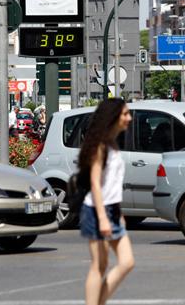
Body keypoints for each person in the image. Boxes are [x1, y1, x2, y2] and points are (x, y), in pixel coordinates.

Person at [76, 98, 134, 305]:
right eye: (125, 114)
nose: (129, 118)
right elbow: (95, 182)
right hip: (96, 210)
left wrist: (119, 213)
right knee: (99, 266)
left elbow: (112, 185)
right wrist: (102, 218)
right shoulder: (101, 146)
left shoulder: (112, 143)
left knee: (126, 262)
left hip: (112, 210)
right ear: (114, 117)